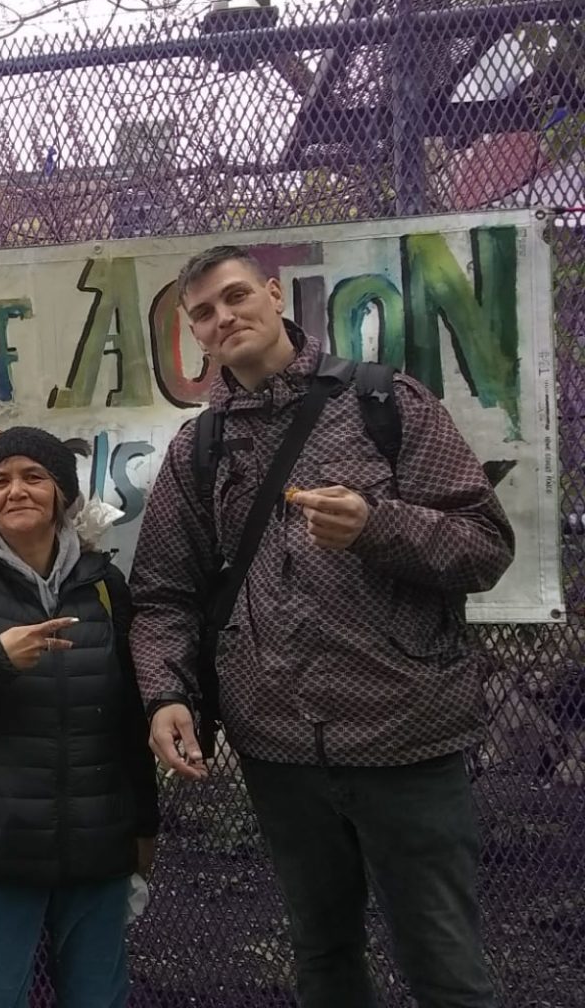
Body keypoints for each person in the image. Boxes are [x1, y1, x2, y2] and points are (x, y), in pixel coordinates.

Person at [129, 244, 515, 1008]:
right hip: (278, 752)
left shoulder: (387, 403)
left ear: (275, 296)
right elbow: (164, 594)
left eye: (236, 296)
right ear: (194, 333)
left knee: (445, 966)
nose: (223, 317)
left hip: (406, 739)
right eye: (203, 312)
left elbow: (485, 545)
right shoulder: (199, 448)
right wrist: (165, 694)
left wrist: (378, 527)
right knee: (324, 960)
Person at [0, 427, 159, 1008]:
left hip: (96, 853)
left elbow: (130, 720)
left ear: (62, 493)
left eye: (33, 477)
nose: (15, 490)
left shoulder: (104, 585)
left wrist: (143, 826)